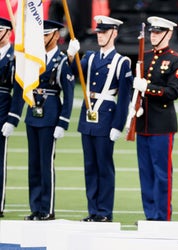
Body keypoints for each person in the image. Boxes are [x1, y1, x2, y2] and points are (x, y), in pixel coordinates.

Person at [5, 20, 75, 221]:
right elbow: (20, 88)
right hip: (32, 117)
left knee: (46, 164)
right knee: (33, 164)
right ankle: (35, 207)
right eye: (40, 35)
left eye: (46, 35)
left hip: (50, 115)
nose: (42, 39)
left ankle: (47, 208)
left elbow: (68, 95)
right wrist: (14, 117)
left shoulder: (61, 62)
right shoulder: (33, 59)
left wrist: (63, 122)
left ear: (55, 36)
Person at [67, 15, 133, 222]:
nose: (100, 36)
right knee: (90, 167)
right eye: (99, 32)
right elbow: (73, 74)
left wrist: (118, 125)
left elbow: (124, 97)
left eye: (104, 32)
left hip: (106, 116)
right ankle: (93, 210)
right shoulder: (90, 57)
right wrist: (71, 56)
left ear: (114, 33)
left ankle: (104, 211)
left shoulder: (122, 62)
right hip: (88, 116)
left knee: (104, 166)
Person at [132, 16, 178, 221]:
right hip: (142, 123)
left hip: (162, 124)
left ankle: (162, 217)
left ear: (168, 34)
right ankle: (150, 216)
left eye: (157, 32)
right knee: (145, 174)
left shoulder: (176, 60)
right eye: (152, 32)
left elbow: (173, 92)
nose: (153, 36)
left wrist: (148, 88)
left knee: (162, 174)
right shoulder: (143, 57)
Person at [0, 17, 23, 218]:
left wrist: (13, 118)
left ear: (8, 32)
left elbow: (19, 89)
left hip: (2, 110)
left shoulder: (15, 55)